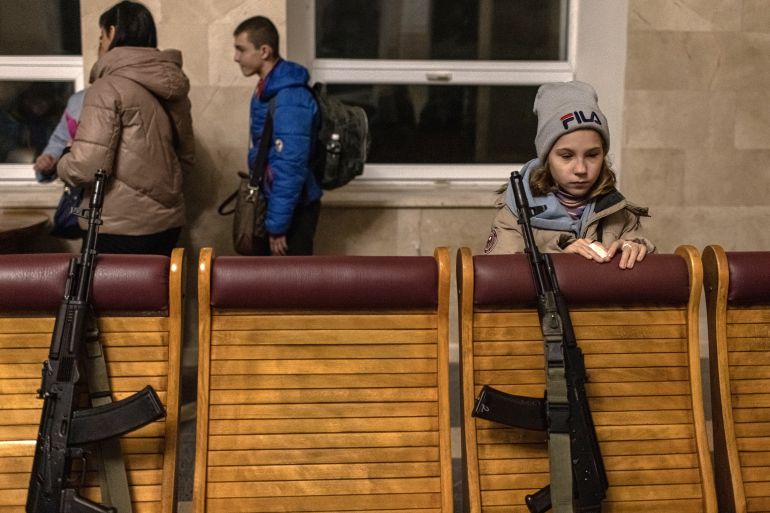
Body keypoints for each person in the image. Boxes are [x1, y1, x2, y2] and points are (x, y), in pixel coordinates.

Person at [57, 0, 194, 256]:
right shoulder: (174, 90)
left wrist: (64, 159)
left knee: (105, 285)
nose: (99, 45)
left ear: (112, 32)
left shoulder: (107, 87)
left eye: (101, 37)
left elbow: (86, 169)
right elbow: (186, 159)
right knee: (158, 284)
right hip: (167, 225)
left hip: (116, 227)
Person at [484, 80, 654, 269]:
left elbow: (654, 280)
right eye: (566, 156)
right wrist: (558, 258)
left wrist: (637, 250)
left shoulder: (619, 213)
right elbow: (501, 276)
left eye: (592, 155)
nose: (581, 169)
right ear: (546, 158)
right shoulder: (515, 212)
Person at [233, 15, 321, 256]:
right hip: (279, 203)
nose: (236, 57)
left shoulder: (289, 96)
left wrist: (277, 227)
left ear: (264, 51)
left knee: (291, 279)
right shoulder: (269, 88)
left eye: (242, 49)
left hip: (293, 210)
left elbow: (290, 164)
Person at [34, 89, 85, 183]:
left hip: (109, 185)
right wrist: (49, 159)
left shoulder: (114, 97)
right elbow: (61, 140)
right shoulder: (77, 100)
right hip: (78, 184)